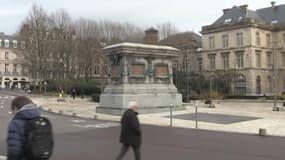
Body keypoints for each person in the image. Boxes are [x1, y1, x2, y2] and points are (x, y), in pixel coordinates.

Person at [7, 96, 54, 160]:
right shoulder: (39, 120)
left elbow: (14, 151)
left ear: (15, 108)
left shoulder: (16, 123)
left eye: (12, 110)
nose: (12, 113)